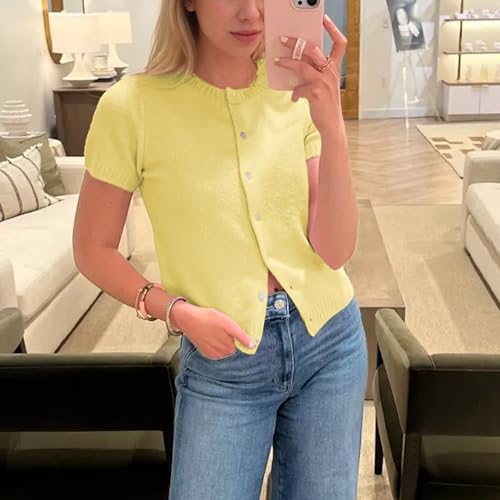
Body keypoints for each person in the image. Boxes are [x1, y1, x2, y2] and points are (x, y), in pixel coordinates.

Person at [73, 0, 368, 498]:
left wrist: (332, 127)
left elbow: (335, 252)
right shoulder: (132, 106)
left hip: (330, 345)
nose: (251, 13)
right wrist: (176, 311)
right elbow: (92, 247)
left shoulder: (295, 92)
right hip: (223, 363)